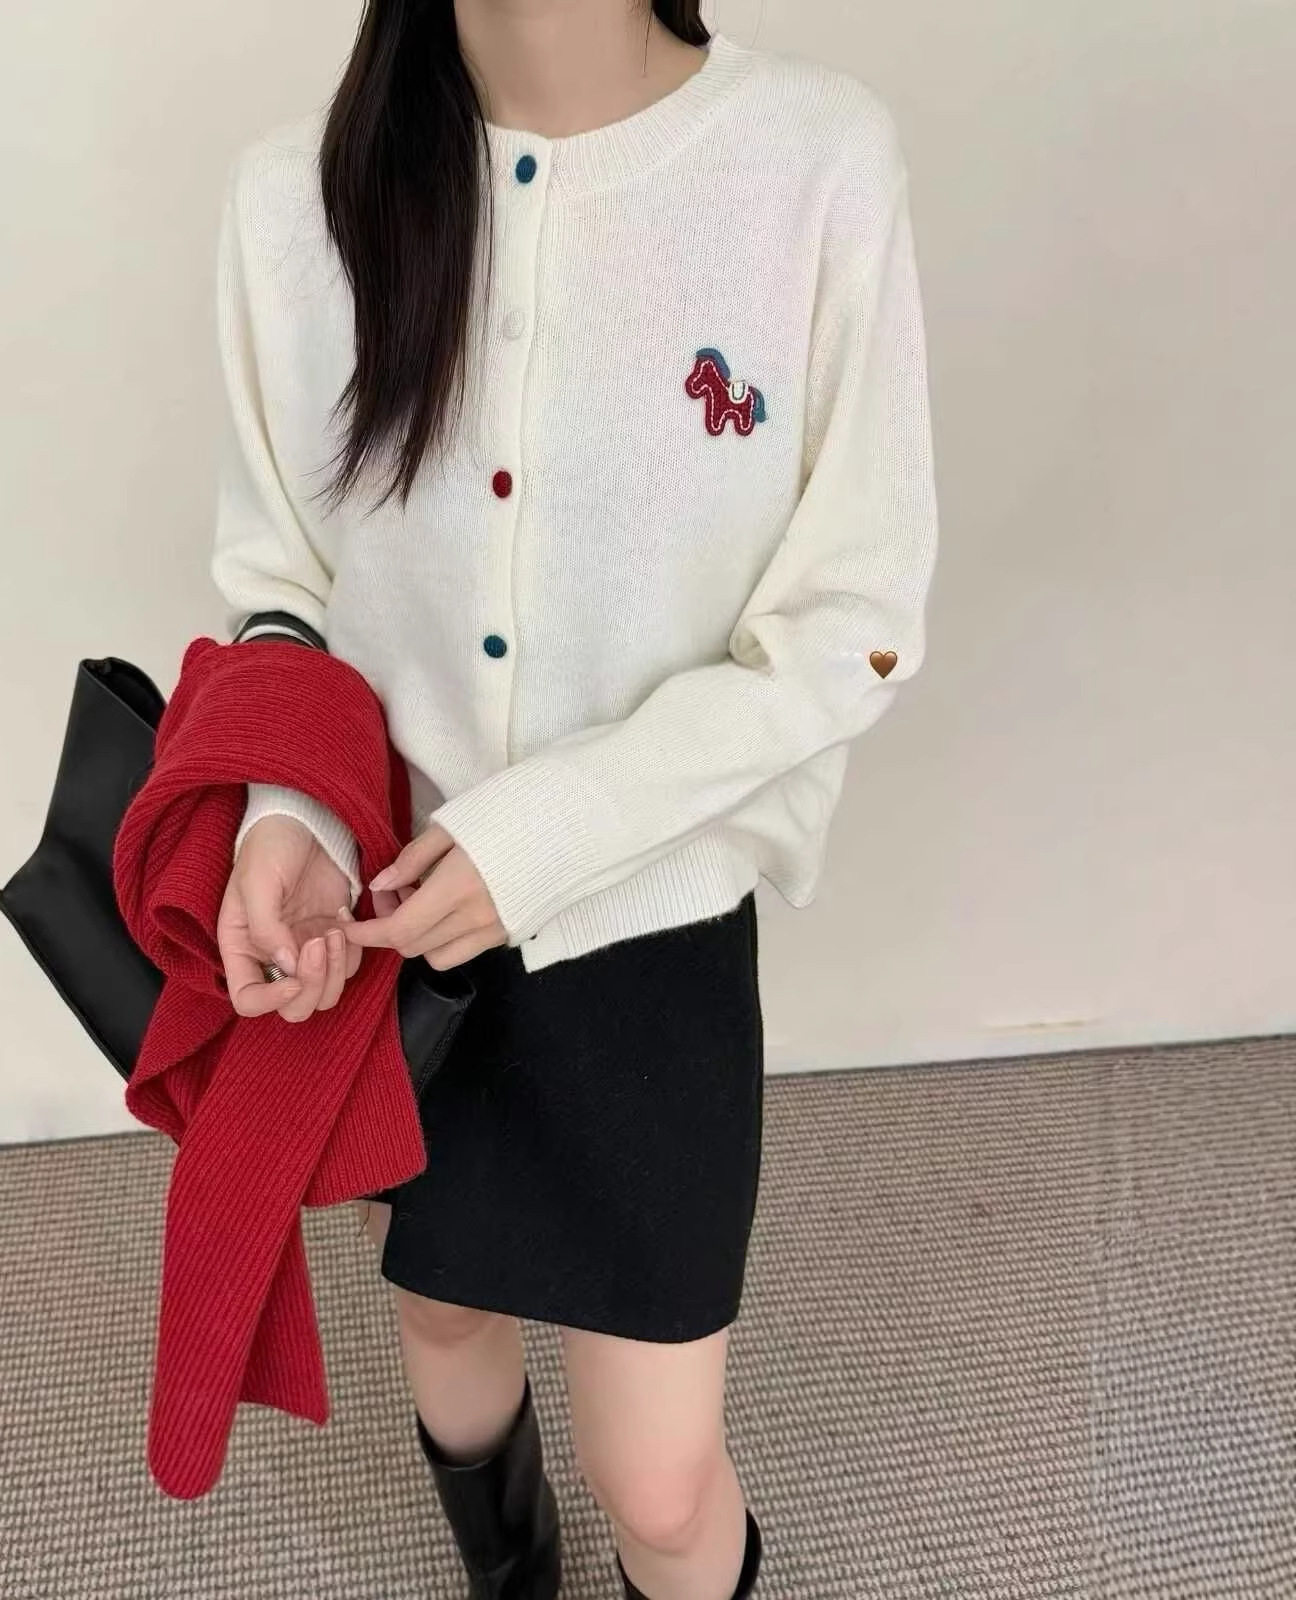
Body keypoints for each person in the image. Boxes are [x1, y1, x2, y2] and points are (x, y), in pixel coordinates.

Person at [209, 4, 938, 1597]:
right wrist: (289, 817)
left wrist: (541, 837)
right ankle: (509, 1574)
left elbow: (852, 626)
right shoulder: (294, 200)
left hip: (652, 933)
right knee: (441, 1312)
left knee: (661, 1486)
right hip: (390, 940)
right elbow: (283, 590)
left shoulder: (811, 160)